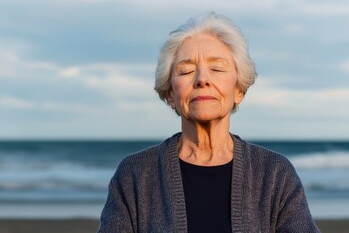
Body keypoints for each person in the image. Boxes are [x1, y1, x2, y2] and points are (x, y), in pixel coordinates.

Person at [97, 12, 320, 233]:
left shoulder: (275, 174)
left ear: (238, 89)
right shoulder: (134, 175)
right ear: (170, 94)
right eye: (186, 70)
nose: (202, 79)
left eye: (217, 69)